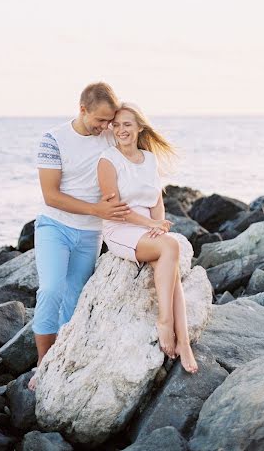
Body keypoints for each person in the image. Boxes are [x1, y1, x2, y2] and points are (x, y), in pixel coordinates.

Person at [28, 82, 130, 391]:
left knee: (75, 299)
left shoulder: (110, 135)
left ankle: (65, 357)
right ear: (82, 109)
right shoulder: (53, 140)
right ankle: (43, 363)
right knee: (50, 289)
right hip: (54, 227)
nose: (104, 127)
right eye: (99, 120)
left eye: (109, 121)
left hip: (90, 233)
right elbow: (51, 195)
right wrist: (97, 209)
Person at [97, 102, 198, 373]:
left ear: (140, 127)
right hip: (121, 228)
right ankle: (165, 322)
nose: (121, 130)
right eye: (116, 125)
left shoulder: (149, 159)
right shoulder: (108, 160)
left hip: (147, 227)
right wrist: (151, 224)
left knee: (170, 263)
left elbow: (156, 199)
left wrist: (159, 226)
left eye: (127, 124)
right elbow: (117, 209)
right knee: (171, 248)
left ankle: (184, 342)